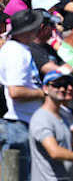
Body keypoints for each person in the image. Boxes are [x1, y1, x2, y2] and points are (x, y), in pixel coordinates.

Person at [0, 10, 45, 177]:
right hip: (18, 125)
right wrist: (44, 94)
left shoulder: (19, 49)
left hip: (25, 123)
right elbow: (16, 91)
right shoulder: (15, 52)